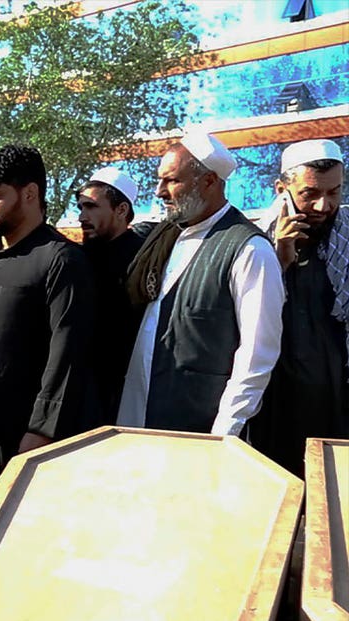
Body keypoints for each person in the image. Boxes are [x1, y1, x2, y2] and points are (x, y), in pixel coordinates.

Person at [0, 145, 96, 495]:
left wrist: (41, 432)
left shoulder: (61, 260)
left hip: (14, 443)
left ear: (29, 194)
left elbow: (67, 354)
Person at [119, 132, 284, 436]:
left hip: (201, 431)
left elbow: (258, 354)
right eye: (160, 180)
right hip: (138, 417)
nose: (160, 192)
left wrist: (225, 433)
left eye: (172, 181)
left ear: (208, 181)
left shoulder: (249, 250)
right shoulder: (167, 238)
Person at [247, 139, 348, 476]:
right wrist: (279, 260)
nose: (324, 206)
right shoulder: (254, 243)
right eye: (310, 194)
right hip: (279, 402)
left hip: (337, 394)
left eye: (335, 193)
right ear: (282, 189)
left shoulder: (345, 233)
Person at [75, 167, 146, 423]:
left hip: (124, 390)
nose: (82, 216)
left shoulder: (144, 259)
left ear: (121, 210)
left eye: (91, 207)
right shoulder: (77, 257)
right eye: (81, 208)